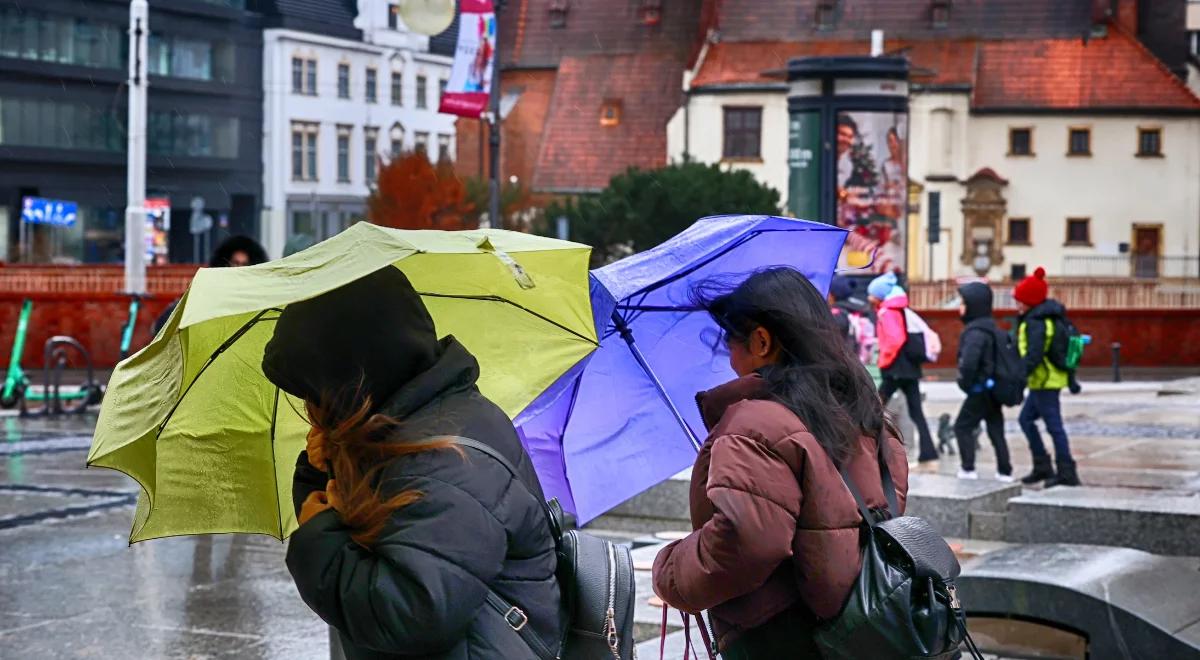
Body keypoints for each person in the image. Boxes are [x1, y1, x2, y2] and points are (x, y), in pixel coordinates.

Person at [260, 266, 563, 659]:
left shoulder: (443, 463)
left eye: (316, 390)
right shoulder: (416, 426)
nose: (310, 407)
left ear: (355, 381)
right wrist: (321, 472)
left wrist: (321, 540)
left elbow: (411, 614)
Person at [652, 268, 908, 658]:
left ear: (761, 340)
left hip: (779, 637)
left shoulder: (753, 424)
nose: (730, 358)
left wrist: (671, 568)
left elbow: (748, 543)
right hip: (861, 633)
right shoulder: (868, 416)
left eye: (730, 343)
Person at [1013, 267, 1081, 487]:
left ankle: (1066, 472)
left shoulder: (1036, 322)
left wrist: (1018, 381)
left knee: (1054, 426)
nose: (1017, 305)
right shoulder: (1046, 317)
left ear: (1030, 301)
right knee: (1026, 420)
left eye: (1020, 301)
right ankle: (1043, 466)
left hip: (1045, 381)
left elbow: (1033, 356)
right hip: (1045, 380)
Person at [869, 271, 939, 469]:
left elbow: (895, 339)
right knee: (916, 411)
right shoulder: (901, 309)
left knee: (873, 408)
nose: (868, 297)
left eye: (871, 294)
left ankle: (866, 449)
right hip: (909, 369)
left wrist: (884, 360)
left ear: (880, 295)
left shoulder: (888, 311)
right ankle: (929, 454)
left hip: (895, 369)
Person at [953, 282, 1013, 482]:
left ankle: (968, 469)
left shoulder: (975, 332)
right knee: (996, 428)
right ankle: (1005, 471)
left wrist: (966, 383)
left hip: (980, 389)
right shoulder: (993, 328)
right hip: (994, 389)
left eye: (962, 302)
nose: (959, 307)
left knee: (962, 426)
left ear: (973, 305)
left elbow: (969, 363)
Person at [151, 235, 268, 334]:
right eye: (236, 263)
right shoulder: (211, 291)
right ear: (226, 263)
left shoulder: (255, 299)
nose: (239, 268)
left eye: (244, 264)